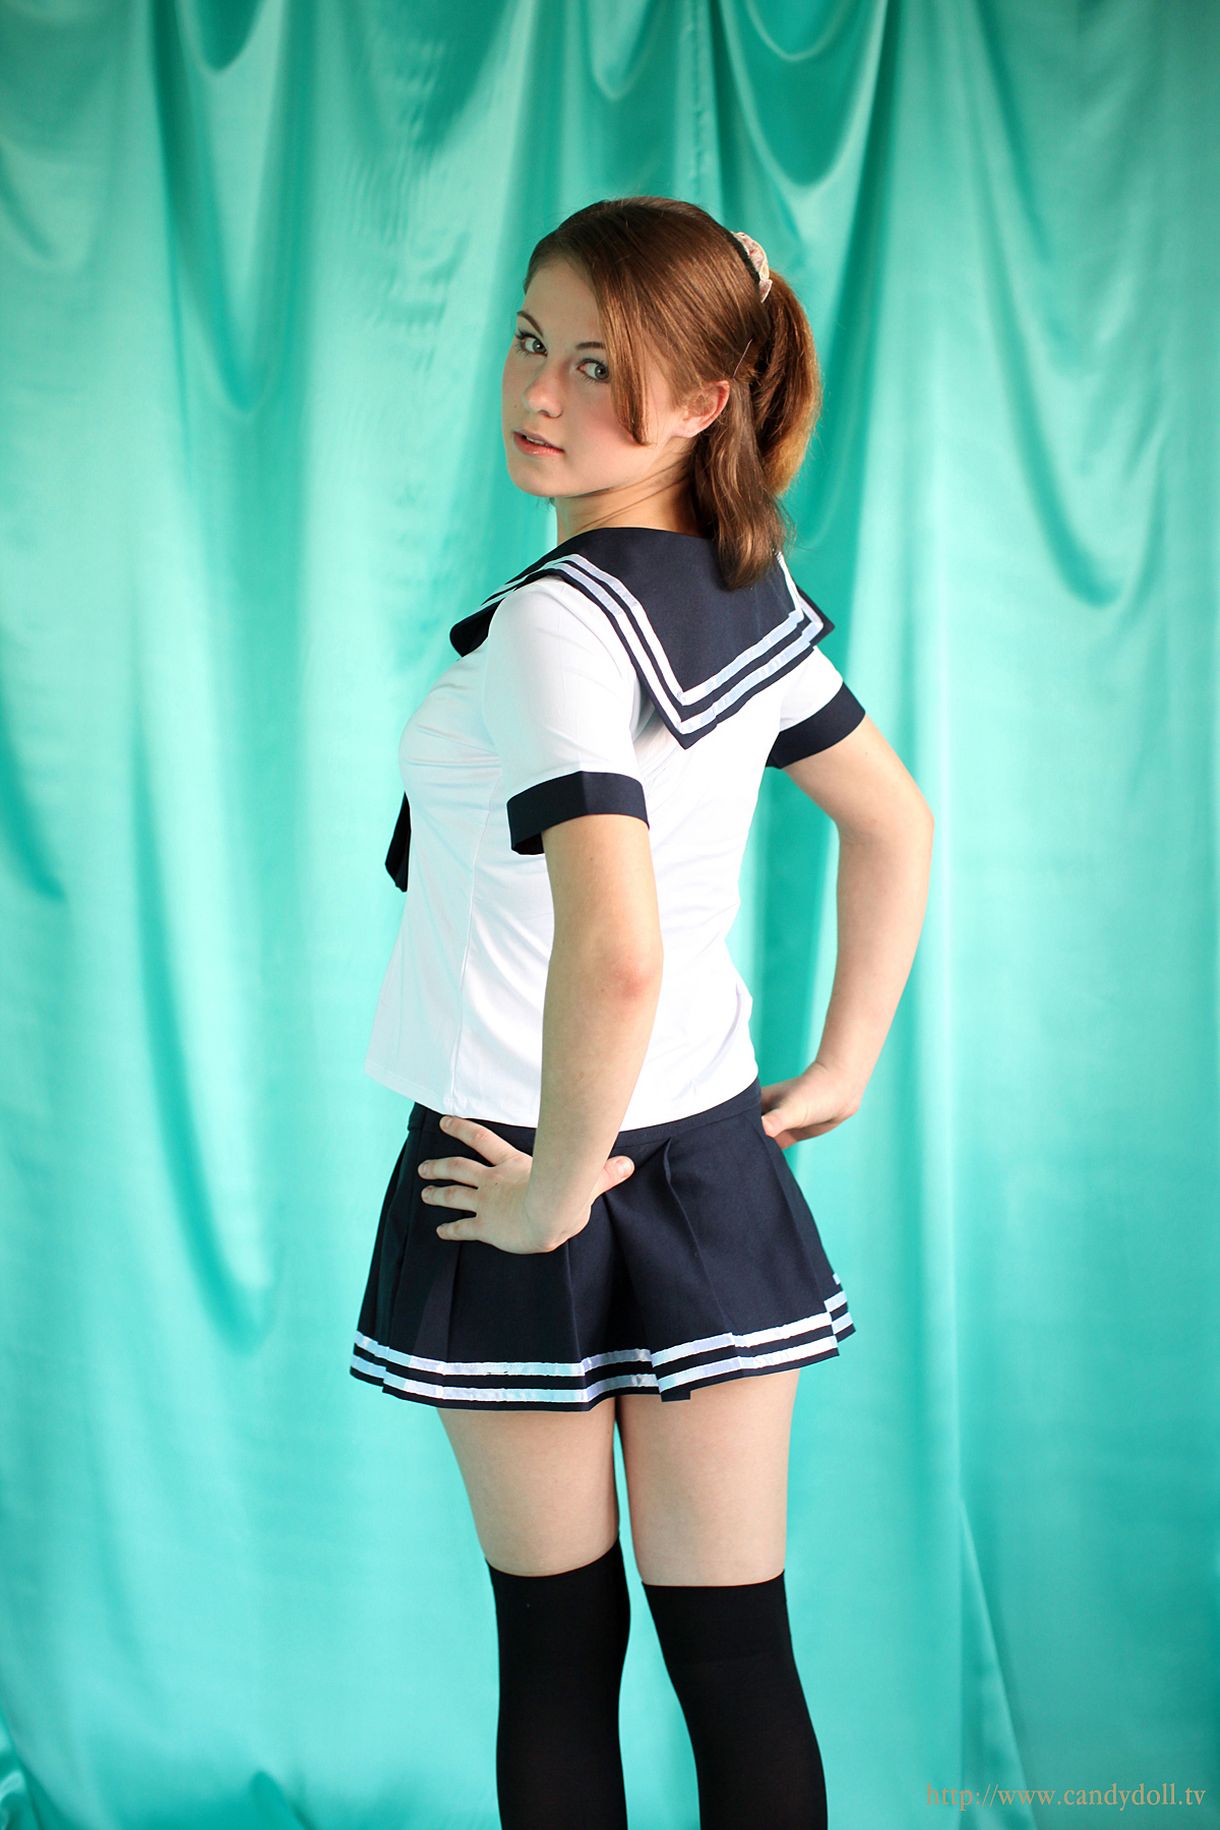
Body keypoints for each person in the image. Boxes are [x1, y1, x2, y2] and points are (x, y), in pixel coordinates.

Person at [350, 197, 934, 1829]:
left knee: (557, 1655)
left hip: (511, 1160)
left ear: (702, 402)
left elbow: (617, 950)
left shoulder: (558, 620)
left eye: (600, 364)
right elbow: (896, 823)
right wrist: (843, 1060)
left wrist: (551, 1190)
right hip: (708, 1163)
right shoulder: (744, 584)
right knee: (739, 1658)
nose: (542, 390)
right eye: (532, 339)